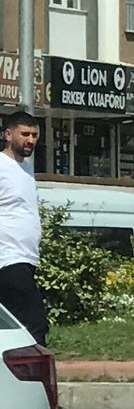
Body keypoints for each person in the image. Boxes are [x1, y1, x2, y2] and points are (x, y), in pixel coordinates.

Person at [0, 109, 49, 349]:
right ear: (8, 135)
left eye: (34, 135)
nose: (30, 140)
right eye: (25, 134)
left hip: (25, 257)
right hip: (7, 257)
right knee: (35, 322)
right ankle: (36, 367)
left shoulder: (26, 168)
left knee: (12, 325)